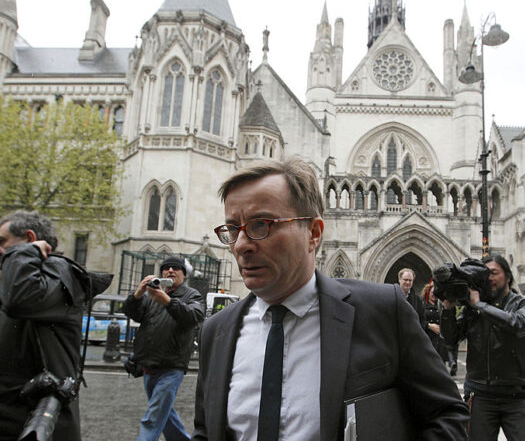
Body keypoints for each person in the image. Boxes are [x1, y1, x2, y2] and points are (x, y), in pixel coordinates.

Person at [194, 158, 468, 441]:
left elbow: (447, 416)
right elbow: (205, 431)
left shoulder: (382, 311)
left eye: (261, 224)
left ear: (313, 233)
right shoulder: (216, 331)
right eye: (233, 229)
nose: (241, 245)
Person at [0, 210, 112, 441]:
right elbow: (27, 330)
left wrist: (23, 253)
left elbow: (20, 301)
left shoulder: (58, 276)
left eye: (3, 242)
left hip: (23, 425)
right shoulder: (23, 278)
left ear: (31, 239)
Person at [440, 255, 525, 441]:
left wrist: (480, 305)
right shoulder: (472, 310)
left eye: (494, 273)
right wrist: (448, 308)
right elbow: (450, 339)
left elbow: (518, 324)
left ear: (508, 277)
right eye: (485, 275)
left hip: (516, 395)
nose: (489, 279)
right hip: (480, 395)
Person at [123, 257, 204, 441]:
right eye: (166, 268)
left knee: (153, 417)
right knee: (163, 412)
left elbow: (194, 316)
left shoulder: (192, 295)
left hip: (172, 366)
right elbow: (132, 313)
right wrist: (137, 294)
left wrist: (167, 301)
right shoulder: (151, 296)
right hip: (148, 366)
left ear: (183, 274)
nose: (170, 271)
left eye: (175, 268)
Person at [421, 281, 452, 368]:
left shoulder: (441, 305)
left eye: (436, 292)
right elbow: (417, 321)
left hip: (440, 344)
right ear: (428, 292)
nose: (434, 294)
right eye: (432, 292)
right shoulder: (421, 304)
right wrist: (429, 325)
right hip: (427, 342)